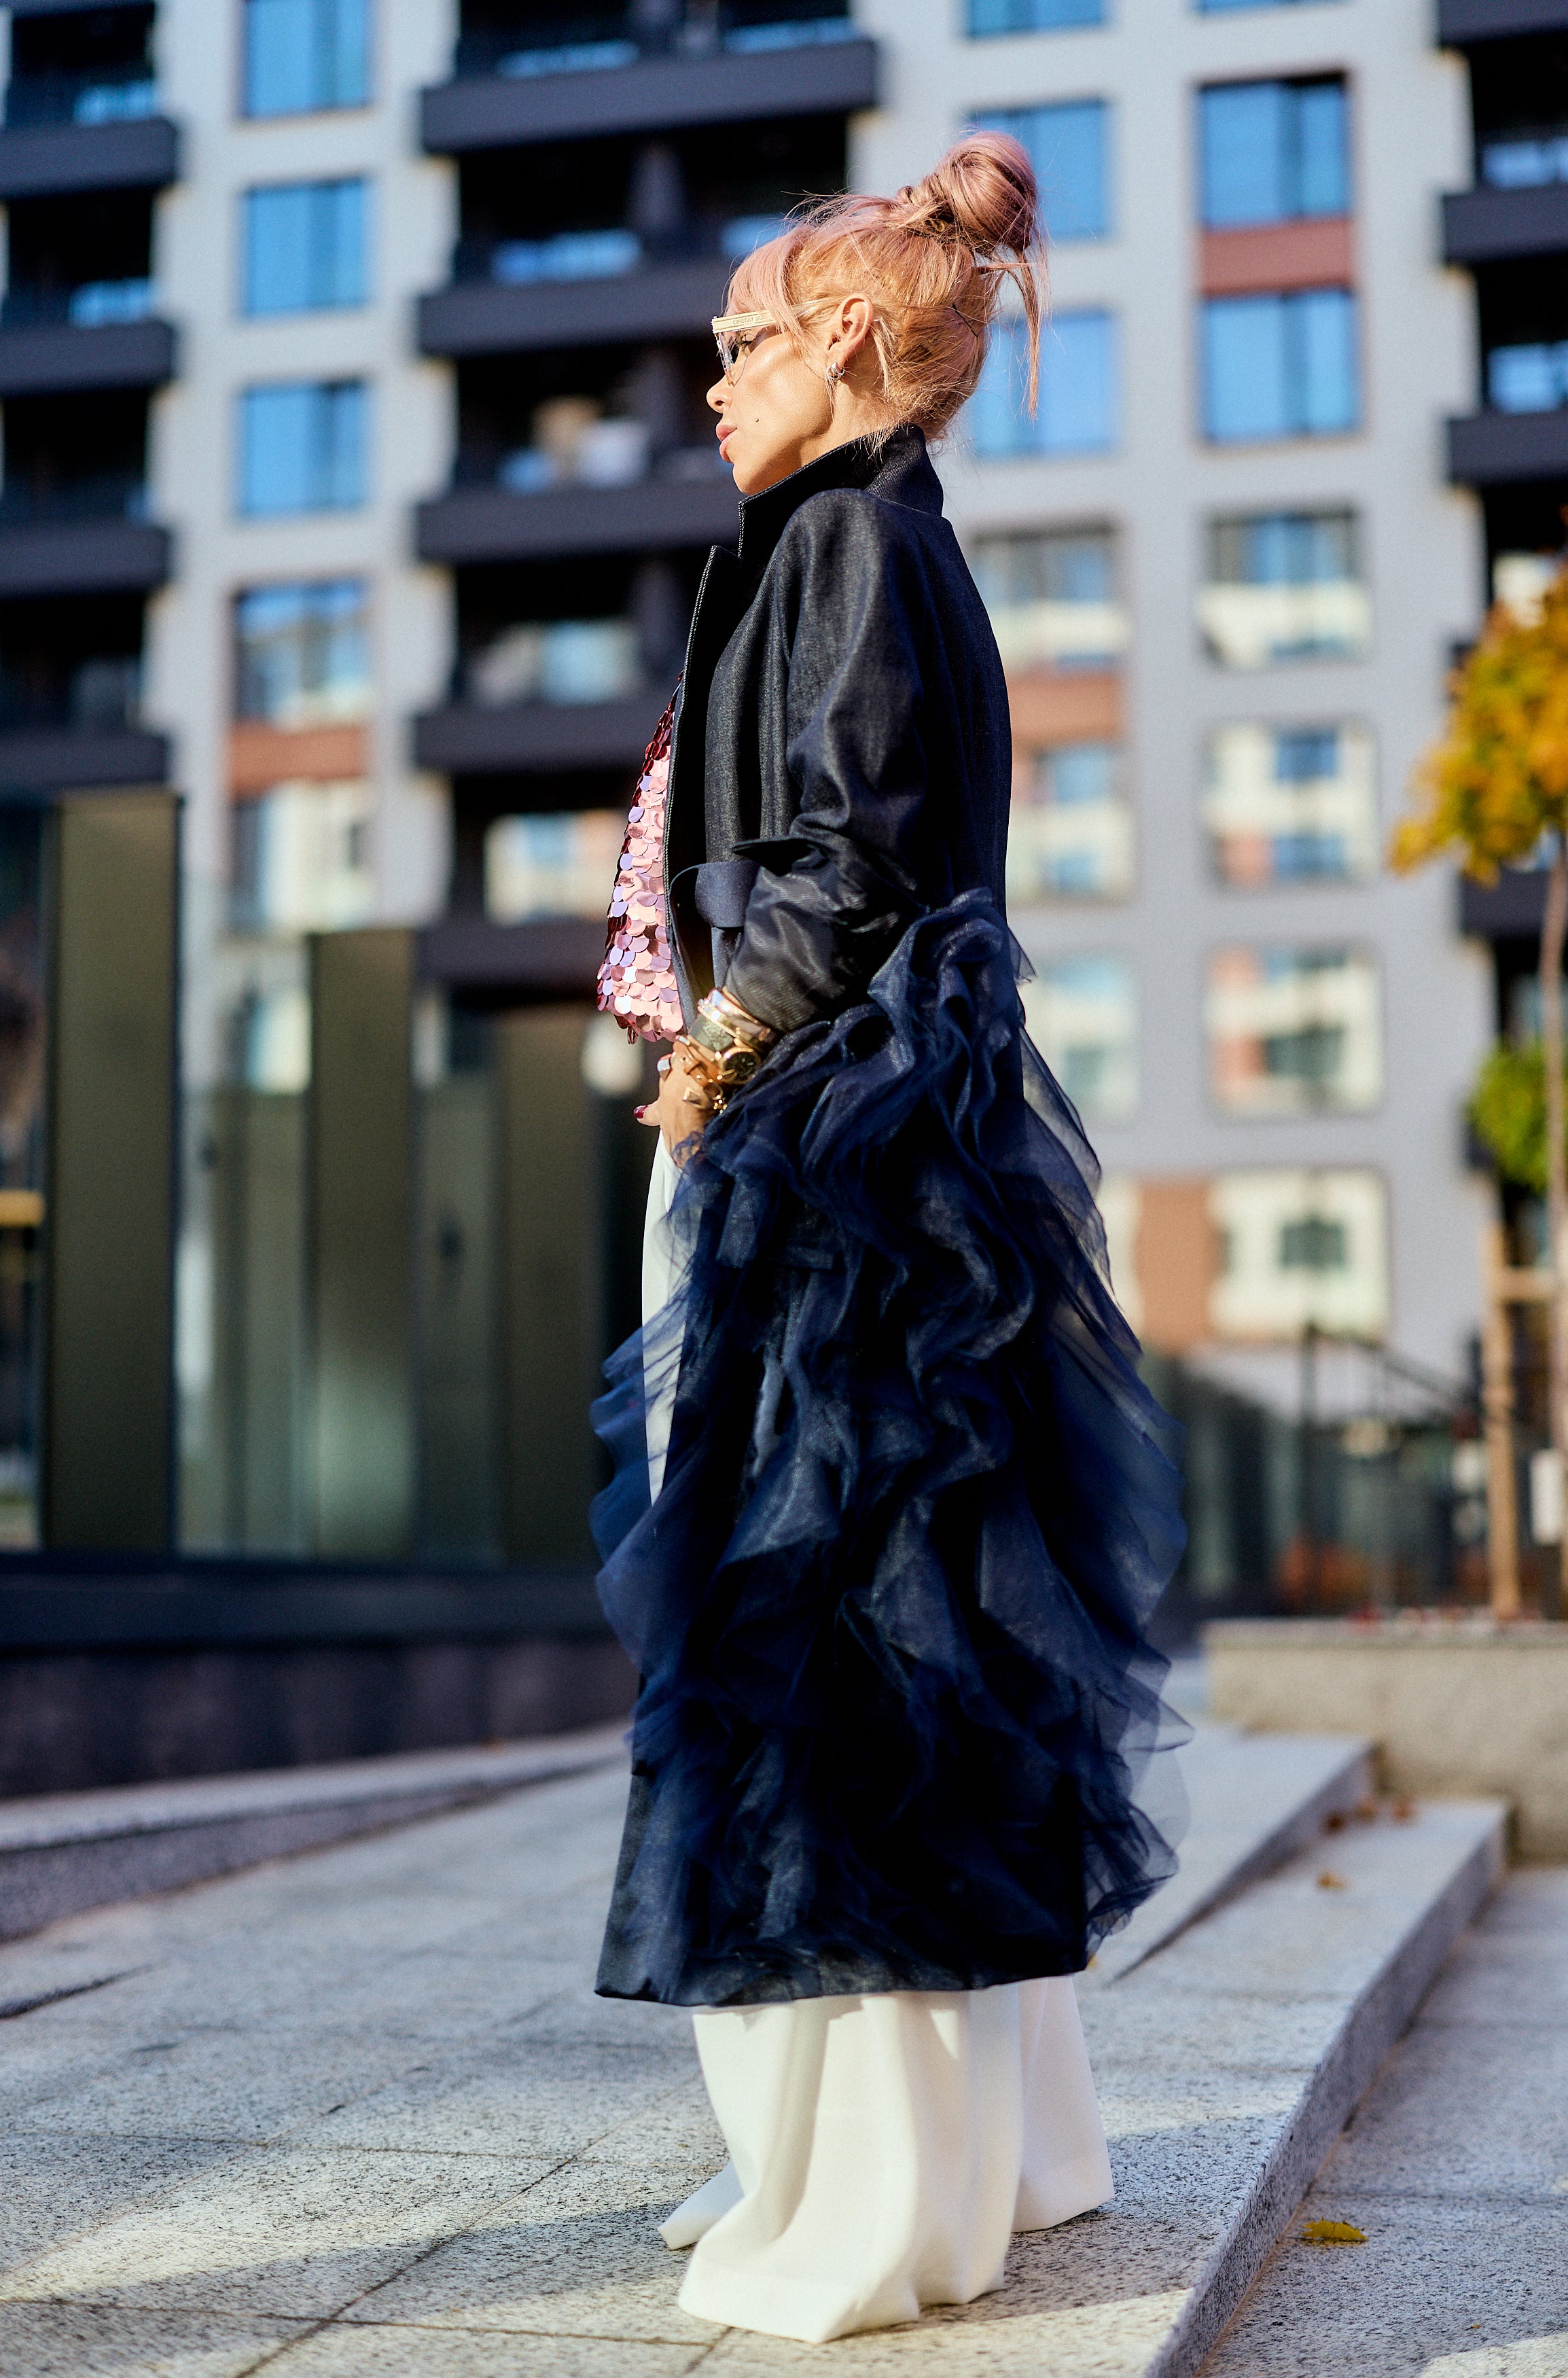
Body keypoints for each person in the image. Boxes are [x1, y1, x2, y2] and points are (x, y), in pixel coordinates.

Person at [589, 131, 1186, 2347]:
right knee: (904, 1650)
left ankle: (876, 2201)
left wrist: (717, 1049)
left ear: (840, 338)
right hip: (883, 1160)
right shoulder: (854, 538)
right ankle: (954, 2162)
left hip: (840, 1172)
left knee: (840, 1648)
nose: (709, 382)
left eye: (736, 342)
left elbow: (840, 874)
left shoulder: (840, 543)